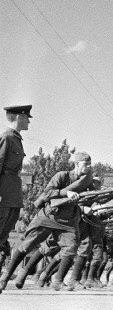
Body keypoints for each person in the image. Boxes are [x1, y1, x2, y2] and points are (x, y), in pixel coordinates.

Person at [0, 151, 94, 292]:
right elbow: (47, 193)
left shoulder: (87, 181)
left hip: (68, 220)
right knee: (27, 245)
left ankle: (58, 281)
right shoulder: (63, 176)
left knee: (71, 247)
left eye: (89, 165)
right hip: (49, 216)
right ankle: (5, 278)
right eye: (85, 164)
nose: (88, 167)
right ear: (76, 164)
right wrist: (65, 193)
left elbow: (92, 197)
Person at [0, 105, 31, 277]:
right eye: (26, 118)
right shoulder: (7, 138)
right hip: (4, 193)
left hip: (12, 194)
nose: (28, 122)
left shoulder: (16, 139)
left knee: (3, 236)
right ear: (18, 117)